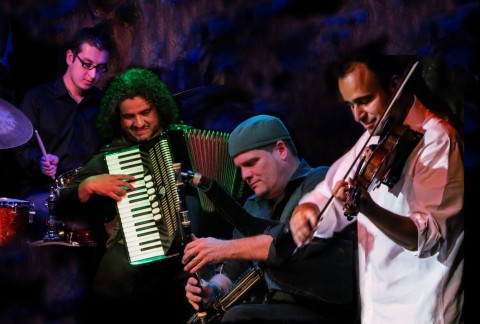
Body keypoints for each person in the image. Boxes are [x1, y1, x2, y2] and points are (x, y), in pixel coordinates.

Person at [289, 55, 464, 323]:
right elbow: (330, 192)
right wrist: (307, 211)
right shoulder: (373, 137)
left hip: (421, 309)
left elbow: (427, 236)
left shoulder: (438, 140)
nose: (358, 116)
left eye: (364, 100)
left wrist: (368, 208)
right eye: (350, 105)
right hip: (377, 309)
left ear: (395, 85)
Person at [54, 67, 202, 322]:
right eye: (129, 117)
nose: (139, 123)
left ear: (159, 110)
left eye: (146, 113)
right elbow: (61, 203)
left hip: (193, 252)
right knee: (109, 281)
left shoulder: (183, 138)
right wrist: (88, 184)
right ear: (118, 119)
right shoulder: (115, 154)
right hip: (139, 248)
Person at [183, 114, 357, 322]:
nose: (245, 175)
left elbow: (288, 243)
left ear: (281, 150)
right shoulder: (251, 206)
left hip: (322, 309)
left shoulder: (319, 183)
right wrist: (210, 289)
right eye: (240, 168)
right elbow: (231, 271)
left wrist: (221, 248)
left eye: (251, 163)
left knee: (239, 318)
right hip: (269, 309)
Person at [14, 26, 113, 241]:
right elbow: (21, 150)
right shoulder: (38, 98)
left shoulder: (103, 103)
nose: (93, 75)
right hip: (44, 190)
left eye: (100, 68)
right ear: (70, 57)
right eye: (87, 64)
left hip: (89, 191)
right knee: (45, 213)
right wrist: (39, 160)